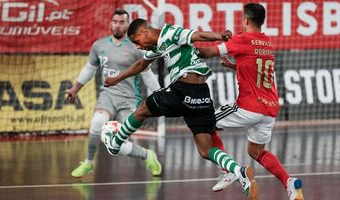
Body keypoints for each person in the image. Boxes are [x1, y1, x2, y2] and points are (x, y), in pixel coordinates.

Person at [103, 18, 259, 200]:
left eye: (137, 41)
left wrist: (220, 36)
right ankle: (239, 171)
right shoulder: (157, 47)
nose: (138, 46)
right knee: (205, 150)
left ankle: (115, 144)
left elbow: (197, 35)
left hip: (183, 89)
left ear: (145, 32)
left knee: (144, 108)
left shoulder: (171, 33)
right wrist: (117, 79)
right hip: (201, 95)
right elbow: (141, 64)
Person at [197, 3, 304, 200]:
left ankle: (227, 170)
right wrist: (233, 66)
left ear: (246, 20)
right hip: (270, 109)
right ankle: (289, 183)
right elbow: (256, 71)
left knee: (203, 121)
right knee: (256, 151)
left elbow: (207, 52)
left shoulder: (243, 39)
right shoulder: (267, 43)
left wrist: (185, 43)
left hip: (249, 107)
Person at [66, 9, 162, 178]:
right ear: (111, 23)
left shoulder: (136, 47)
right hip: (108, 96)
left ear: (128, 24)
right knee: (97, 123)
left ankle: (147, 155)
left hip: (129, 99)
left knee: (117, 145)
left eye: (122, 22)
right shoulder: (99, 45)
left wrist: (161, 94)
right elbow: (90, 69)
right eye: (115, 22)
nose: (117, 26)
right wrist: (75, 88)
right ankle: (88, 163)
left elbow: (147, 74)